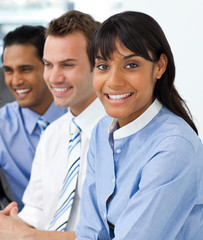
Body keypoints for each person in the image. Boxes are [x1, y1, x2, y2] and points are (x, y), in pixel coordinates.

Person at [76, 11, 203, 239]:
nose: (114, 81)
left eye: (131, 65)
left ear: (159, 66)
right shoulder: (101, 131)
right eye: (103, 66)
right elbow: (89, 232)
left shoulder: (174, 147)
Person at [0, 10, 105, 240]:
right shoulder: (53, 134)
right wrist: (12, 223)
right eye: (48, 64)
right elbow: (36, 213)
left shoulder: (121, 134)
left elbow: (115, 233)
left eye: (67, 65)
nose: (54, 77)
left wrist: (24, 235)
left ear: (98, 65)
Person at [0, 25, 67, 210]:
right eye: (9, 70)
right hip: (26, 229)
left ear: (49, 68)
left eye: (25, 69)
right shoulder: (2, 125)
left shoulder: (78, 116)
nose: (15, 80)